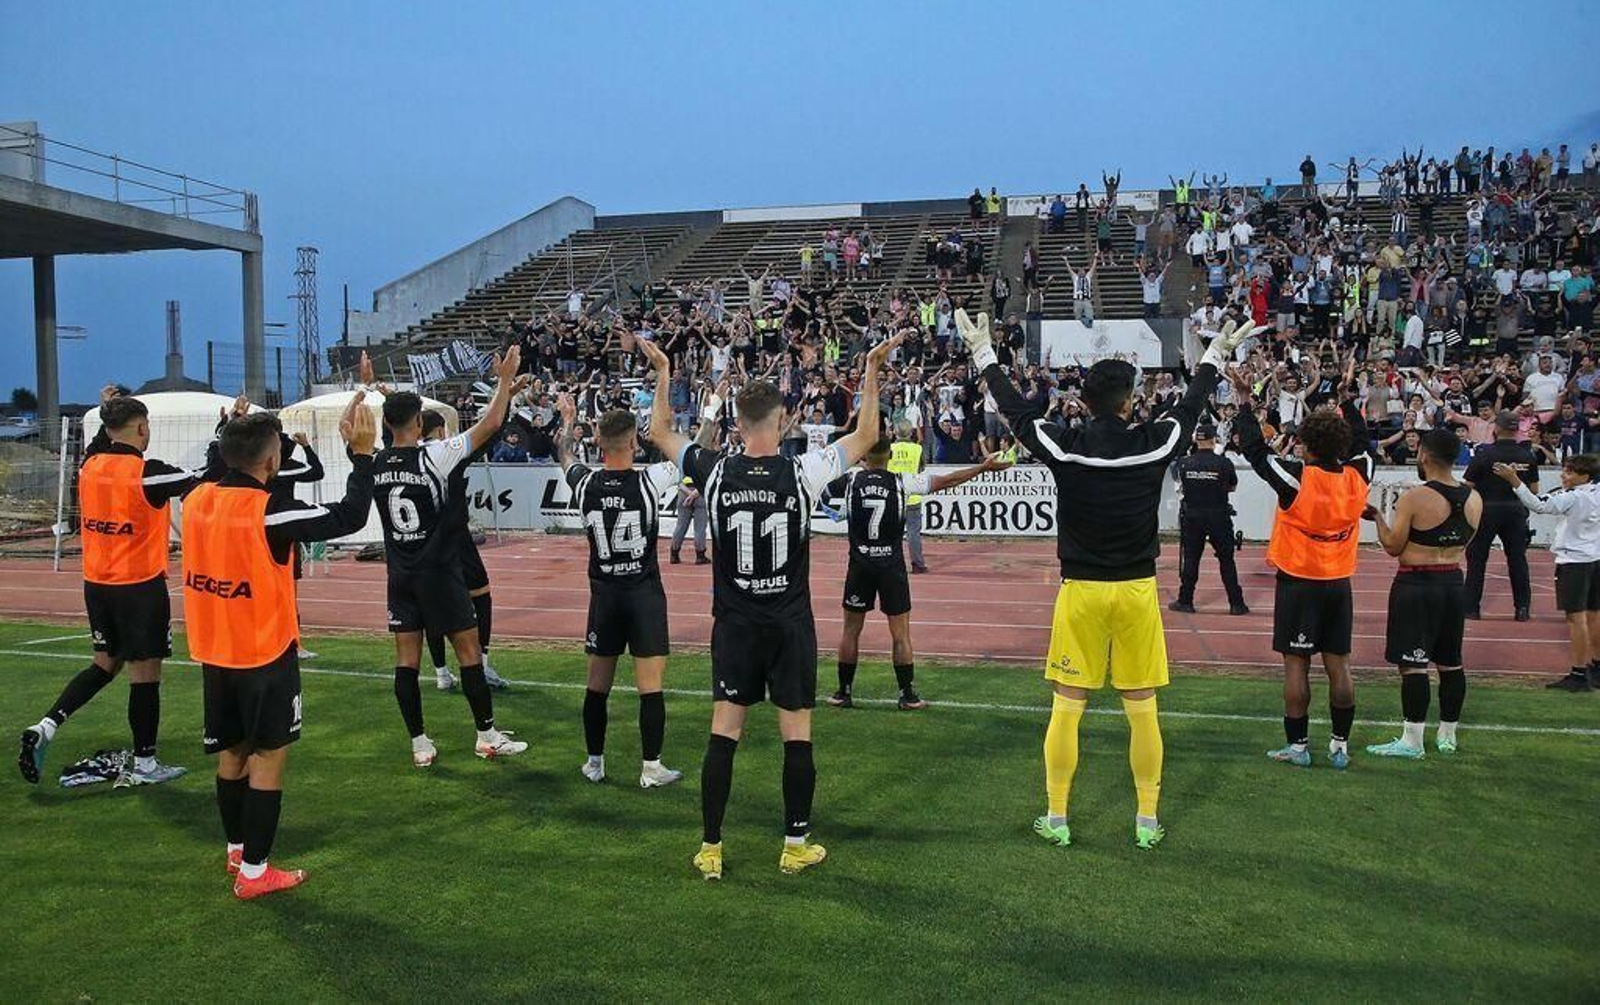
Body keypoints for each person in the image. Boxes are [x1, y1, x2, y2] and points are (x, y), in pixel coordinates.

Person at [964, 307, 1255, 851]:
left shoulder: (1066, 446)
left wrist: (985, 355)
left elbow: (1018, 414)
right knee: (1142, 710)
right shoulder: (1154, 443)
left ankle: (1057, 817)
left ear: (1087, 402)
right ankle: (1146, 820)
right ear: (1127, 403)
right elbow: (1190, 408)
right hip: (1138, 593)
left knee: (1067, 708)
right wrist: (1214, 355)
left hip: (1080, 594)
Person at [640, 331, 900, 881]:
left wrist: (665, 369)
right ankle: (794, 844)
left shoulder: (712, 470)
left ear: (737, 424)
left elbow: (659, 431)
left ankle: (711, 848)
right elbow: (869, 433)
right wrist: (872, 368)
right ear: (781, 423)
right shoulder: (803, 472)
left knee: (724, 733)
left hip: (735, 626)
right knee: (796, 733)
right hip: (788, 625)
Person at [182, 397, 376, 898]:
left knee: (232, 753)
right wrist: (362, 455)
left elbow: (212, 470)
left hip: (214, 650)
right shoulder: (270, 509)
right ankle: (255, 872)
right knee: (268, 757)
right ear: (271, 462)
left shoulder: (199, 498)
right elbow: (350, 517)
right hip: (263, 653)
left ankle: (236, 849)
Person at [17, 390, 211, 786]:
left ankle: (47, 725)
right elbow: (206, 479)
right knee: (145, 675)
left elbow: (100, 443)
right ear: (142, 428)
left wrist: (110, 406)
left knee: (105, 663)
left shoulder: (90, 465)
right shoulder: (147, 471)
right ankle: (144, 765)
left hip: (97, 584)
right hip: (139, 587)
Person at [373, 348, 530, 767]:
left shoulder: (376, 462)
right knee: (469, 652)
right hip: (439, 573)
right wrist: (502, 383)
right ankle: (486, 736)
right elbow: (491, 424)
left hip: (399, 576)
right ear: (421, 424)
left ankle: (420, 744)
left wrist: (369, 389)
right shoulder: (434, 456)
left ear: (386, 423)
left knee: (406, 662)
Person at [1228, 369, 1374, 771]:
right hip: (1338, 582)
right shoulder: (1358, 475)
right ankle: (1340, 745)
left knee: (1296, 664)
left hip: (1298, 583)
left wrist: (1244, 402)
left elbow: (1256, 451)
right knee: (1339, 664)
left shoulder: (1296, 478)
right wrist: (1347, 402)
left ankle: (1298, 747)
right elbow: (1364, 444)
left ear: (1308, 445)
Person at [555, 393, 684, 788]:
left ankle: (595, 763)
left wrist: (567, 419)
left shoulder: (586, 482)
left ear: (598, 441)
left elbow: (563, 453)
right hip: (642, 595)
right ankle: (650, 767)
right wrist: (710, 409)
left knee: (597, 686)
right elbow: (695, 453)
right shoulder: (649, 481)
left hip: (605, 597)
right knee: (650, 688)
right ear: (633, 443)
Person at [827, 442, 1011, 710]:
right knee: (900, 634)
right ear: (890, 457)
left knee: (851, 630)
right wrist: (983, 467)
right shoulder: (902, 481)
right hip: (891, 567)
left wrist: (837, 513)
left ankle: (843, 692)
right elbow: (948, 481)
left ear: (864, 456)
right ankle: (907, 695)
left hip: (860, 566)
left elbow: (819, 496)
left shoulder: (850, 480)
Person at [1363, 428, 1482, 758]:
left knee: (1413, 665)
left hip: (1417, 584)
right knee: (1451, 662)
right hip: (1453, 582)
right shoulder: (1474, 497)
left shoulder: (1416, 496)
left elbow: (1392, 546)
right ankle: (1448, 735)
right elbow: (1465, 541)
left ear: (1425, 456)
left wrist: (1376, 516)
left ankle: (1412, 741)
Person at [418, 411, 510, 693]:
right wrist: (506, 395)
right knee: (481, 597)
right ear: (442, 430)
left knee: (432, 606)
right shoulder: (449, 453)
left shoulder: (409, 455)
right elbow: (490, 431)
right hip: (455, 538)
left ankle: (442, 673)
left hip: (422, 542)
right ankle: (481, 662)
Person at [1493, 455, 1600, 691]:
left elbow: (1538, 504)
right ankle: (1597, 667)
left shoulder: (1572, 497)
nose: (1564, 475)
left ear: (1585, 476)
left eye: (1570, 472)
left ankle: (1579, 673)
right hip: (1595, 558)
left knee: (1576, 617)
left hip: (1574, 561)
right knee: (1594, 613)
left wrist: (1514, 480)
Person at [1462, 411, 1539, 621]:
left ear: (1497, 428)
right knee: (1517, 560)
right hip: (1515, 511)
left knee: (1477, 560)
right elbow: (1534, 490)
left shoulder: (1485, 454)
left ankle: (1471, 608)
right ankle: (1522, 608)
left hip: (1486, 511)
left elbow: (1467, 486)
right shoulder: (1527, 455)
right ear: (1515, 429)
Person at [1168, 424, 1248, 615]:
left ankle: (1185, 600)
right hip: (1219, 516)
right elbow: (1232, 487)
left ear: (1196, 440)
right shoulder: (1224, 463)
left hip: (1193, 515)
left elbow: (1181, 486)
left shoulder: (1185, 463)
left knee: (1191, 559)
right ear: (1214, 440)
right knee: (1226, 560)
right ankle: (1236, 604)